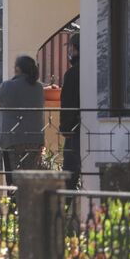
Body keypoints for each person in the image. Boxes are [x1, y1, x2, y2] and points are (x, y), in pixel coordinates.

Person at [0, 55, 45, 186]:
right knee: (29, 180)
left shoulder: (8, 86)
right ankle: (29, 204)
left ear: (17, 69)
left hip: (12, 140)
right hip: (34, 140)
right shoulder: (39, 88)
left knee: (13, 180)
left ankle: (14, 205)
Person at [59, 33, 81, 189]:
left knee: (69, 176)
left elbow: (67, 102)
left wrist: (65, 128)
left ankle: (65, 210)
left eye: (71, 48)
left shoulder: (73, 73)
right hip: (88, 128)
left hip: (75, 130)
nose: (70, 52)